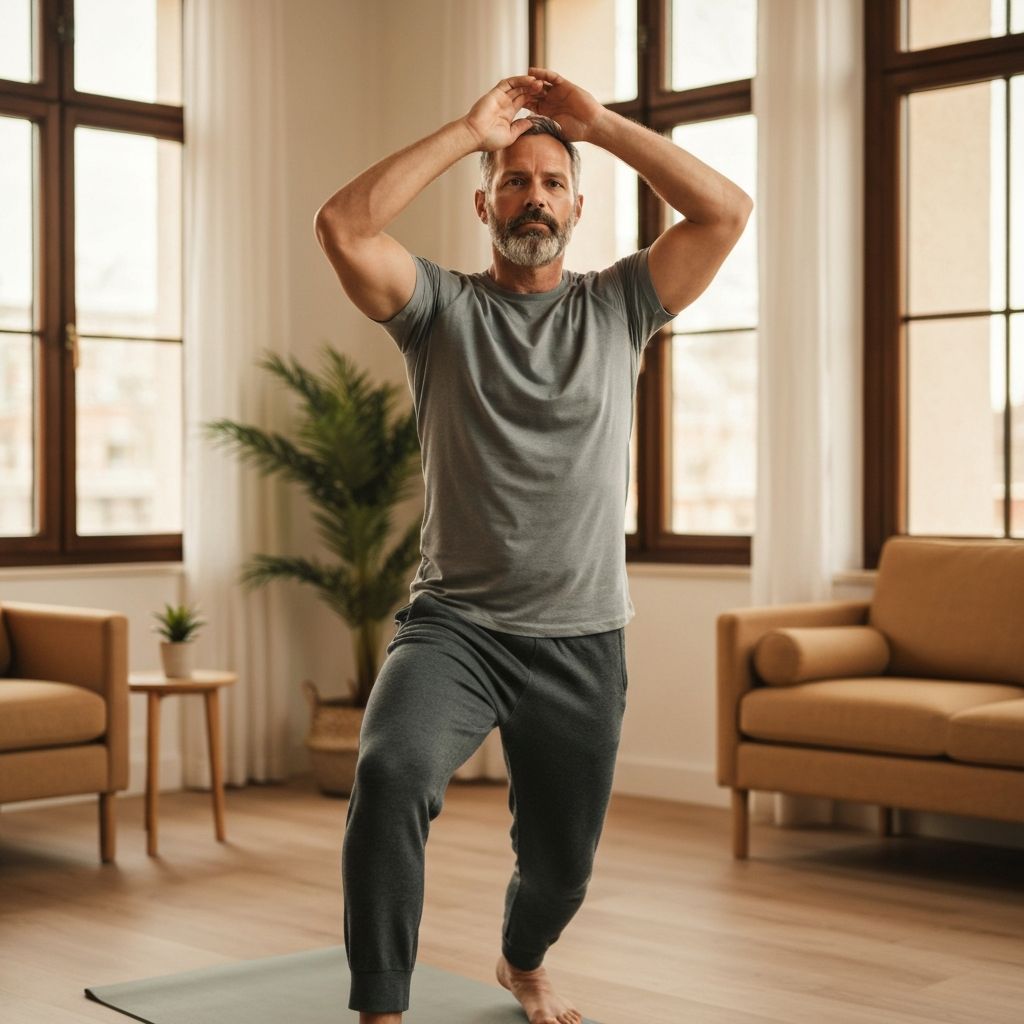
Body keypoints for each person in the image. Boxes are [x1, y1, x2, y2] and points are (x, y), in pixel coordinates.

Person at [314, 68, 752, 1024]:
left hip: (583, 639)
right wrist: (469, 127)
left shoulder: (620, 305)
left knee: (561, 869)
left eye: (554, 183)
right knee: (389, 773)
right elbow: (343, 225)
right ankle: (381, 1007)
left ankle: (523, 957)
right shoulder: (438, 311)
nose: (535, 198)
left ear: (579, 208)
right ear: (483, 201)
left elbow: (725, 212)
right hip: (456, 629)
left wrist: (600, 124)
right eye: (514, 180)